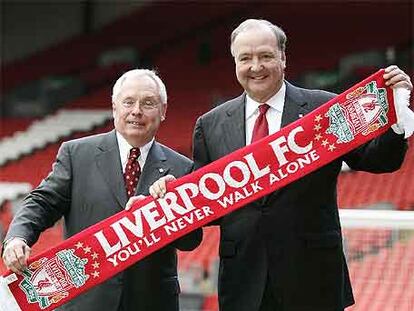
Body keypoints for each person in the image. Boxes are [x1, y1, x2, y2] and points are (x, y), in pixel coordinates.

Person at [145, 19, 412, 311]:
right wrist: (176, 192)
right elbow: (210, 201)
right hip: (243, 282)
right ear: (235, 62)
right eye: (245, 58)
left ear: (283, 58)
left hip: (313, 279)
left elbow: (379, 160)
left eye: (266, 56)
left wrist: (396, 120)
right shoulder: (210, 125)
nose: (255, 66)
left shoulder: (324, 109)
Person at [1, 69, 202, 311]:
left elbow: (192, 241)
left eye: (148, 103)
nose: (136, 111)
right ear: (115, 107)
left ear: (163, 110)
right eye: (128, 102)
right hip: (87, 301)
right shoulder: (76, 154)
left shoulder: (182, 167)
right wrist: (18, 237)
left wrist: (174, 205)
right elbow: (43, 202)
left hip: (153, 302)